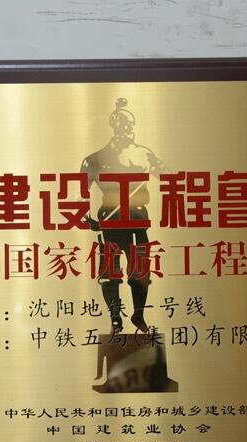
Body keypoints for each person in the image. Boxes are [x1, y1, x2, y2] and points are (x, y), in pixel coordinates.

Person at [80, 98, 165, 334]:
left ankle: (139, 315)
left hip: (137, 221)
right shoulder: (94, 159)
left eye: (130, 124)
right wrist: (88, 219)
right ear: (113, 125)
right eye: (122, 123)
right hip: (110, 223)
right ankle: (115, 318)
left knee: (140, 272)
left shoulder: (143, 154)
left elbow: (170, 177)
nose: (127, 128)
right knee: (110, 274)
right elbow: (79, 192)